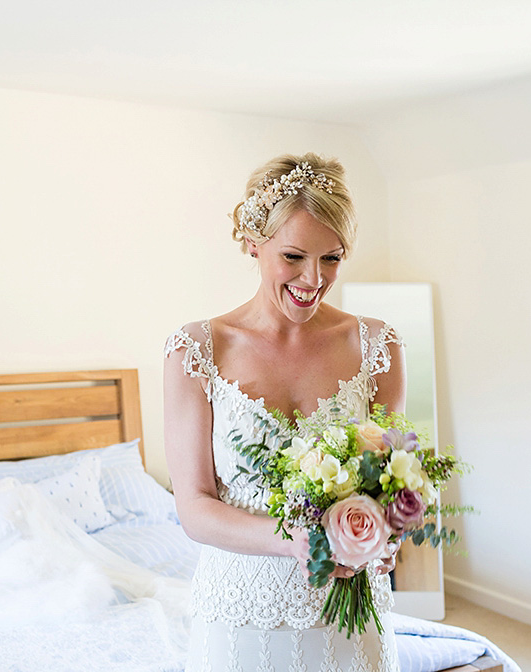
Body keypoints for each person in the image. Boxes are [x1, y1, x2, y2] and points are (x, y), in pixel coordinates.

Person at [164, 152, 406, 671]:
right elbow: (194, 506)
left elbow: (390, 480)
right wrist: (292, 540)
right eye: (294, 257)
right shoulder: (197, 351)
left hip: (350, 616)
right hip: (239, 616)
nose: (313, 279)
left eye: (332, 258)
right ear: (254, 241)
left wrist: (390, 530)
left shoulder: (377, 346)